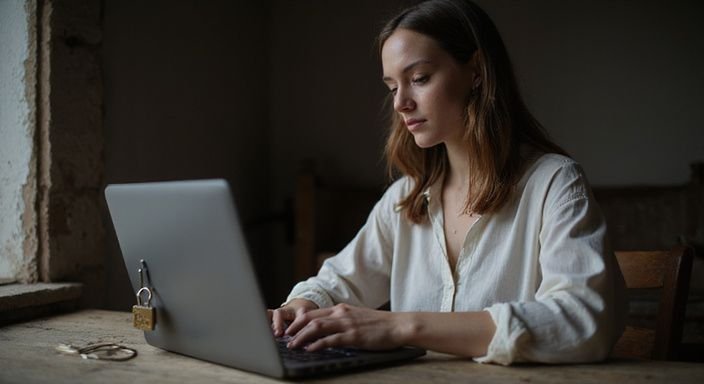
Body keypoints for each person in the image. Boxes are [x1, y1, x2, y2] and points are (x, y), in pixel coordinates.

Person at [268, 0, 626, 365]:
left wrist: (402, 326)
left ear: (477, 72)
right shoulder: (405, 197)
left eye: (419, 78)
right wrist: (301, 306)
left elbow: (584, 321)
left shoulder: (554, 183)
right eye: (393, 87)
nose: (401, 103)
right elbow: (340, 281)